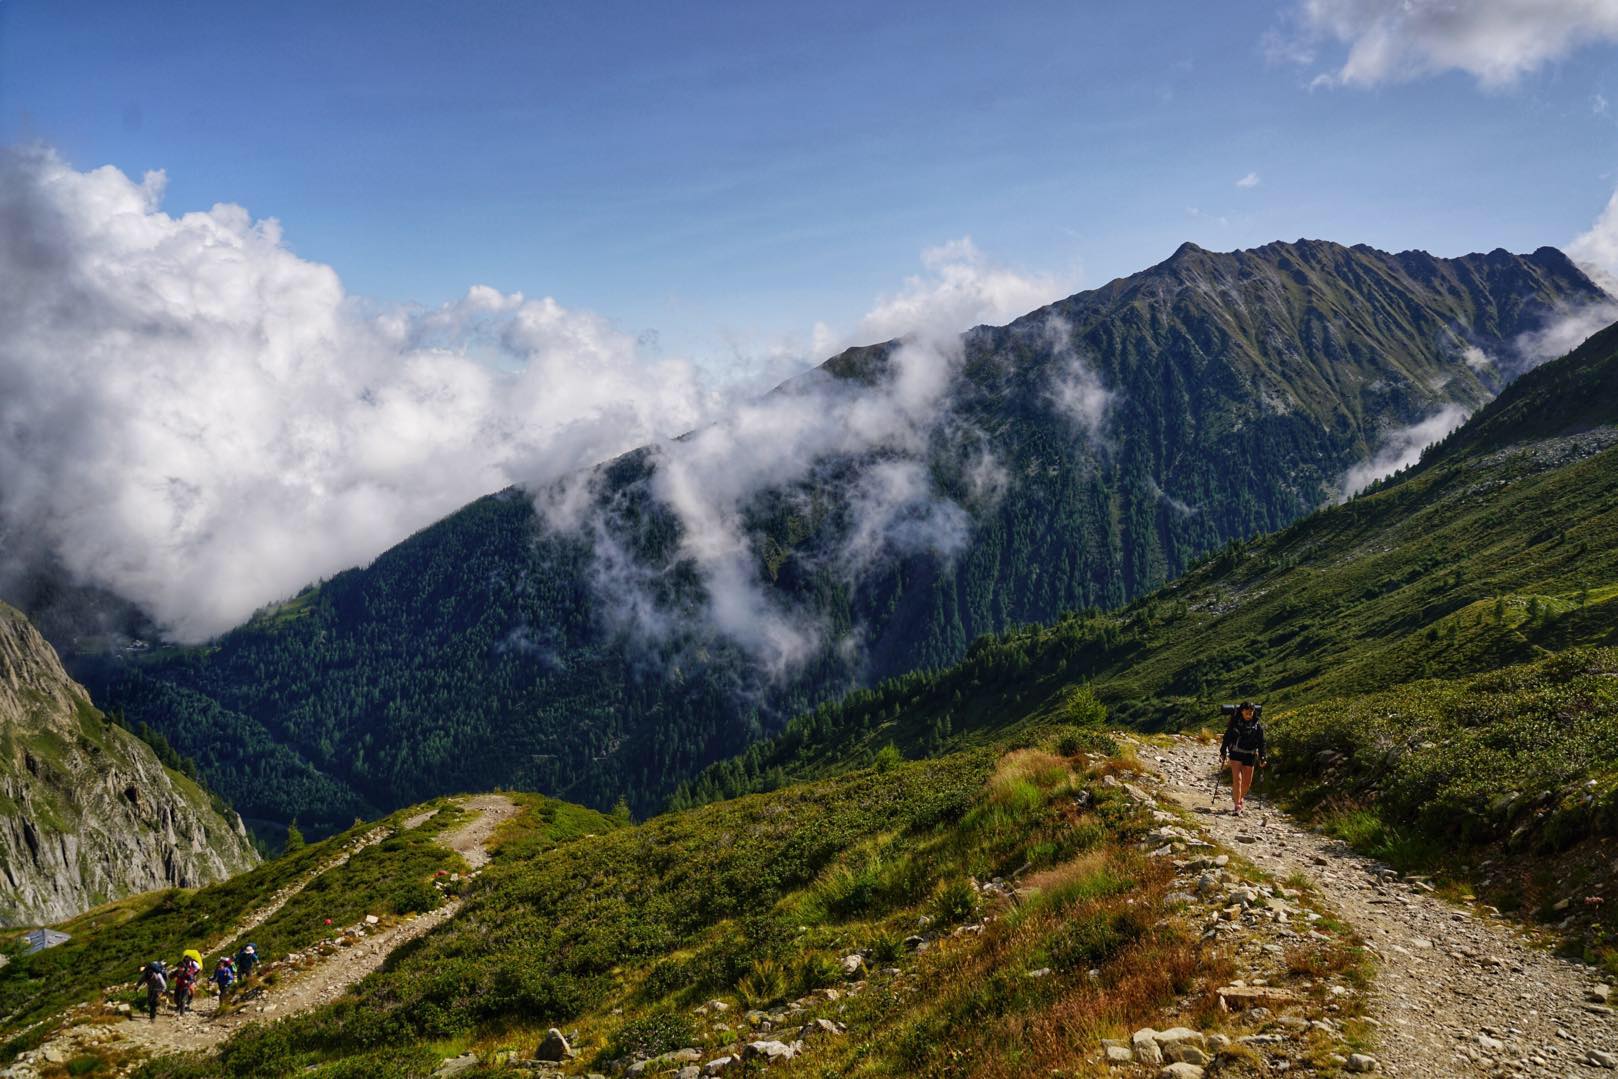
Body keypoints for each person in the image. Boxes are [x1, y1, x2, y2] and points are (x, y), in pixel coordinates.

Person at [1219, 701, 1267, 815]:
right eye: (1247, 711)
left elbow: (1262, 742)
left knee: (1247, 783)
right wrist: (1223, 752)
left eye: (1251, 711)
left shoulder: (1257, 725)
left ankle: (1239, 798)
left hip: (1250, 755)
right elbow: (1227, 738)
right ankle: (1237, 805)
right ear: (1242, 711)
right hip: (1236, 753)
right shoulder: (1235, 723)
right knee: (1238, 779)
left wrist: (1262, 756)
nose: (1249, 713)